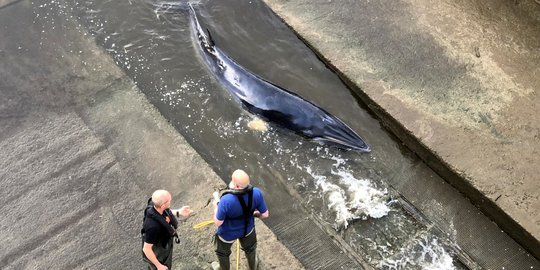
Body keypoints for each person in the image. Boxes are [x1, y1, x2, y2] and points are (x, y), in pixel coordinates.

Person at [213, 169, 269, 270]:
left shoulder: (226, 200)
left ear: (237, 186)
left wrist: (216, 206)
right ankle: (253, 266)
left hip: (227, 234)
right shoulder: (256, 193)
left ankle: (223, 268)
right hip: (247, 230)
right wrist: (255, 214)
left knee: (223, 254)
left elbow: (218, 222)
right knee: (251, 250)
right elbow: (265, 214)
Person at [142, 189, 192, 270]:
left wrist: (179, 212)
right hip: (157, 250)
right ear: (162, 205)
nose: (171, 201)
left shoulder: (155, 206)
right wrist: (159, 266)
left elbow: (164, 212)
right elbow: (146, 249)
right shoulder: (153, 227)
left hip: (163, 241)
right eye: (169, 200)